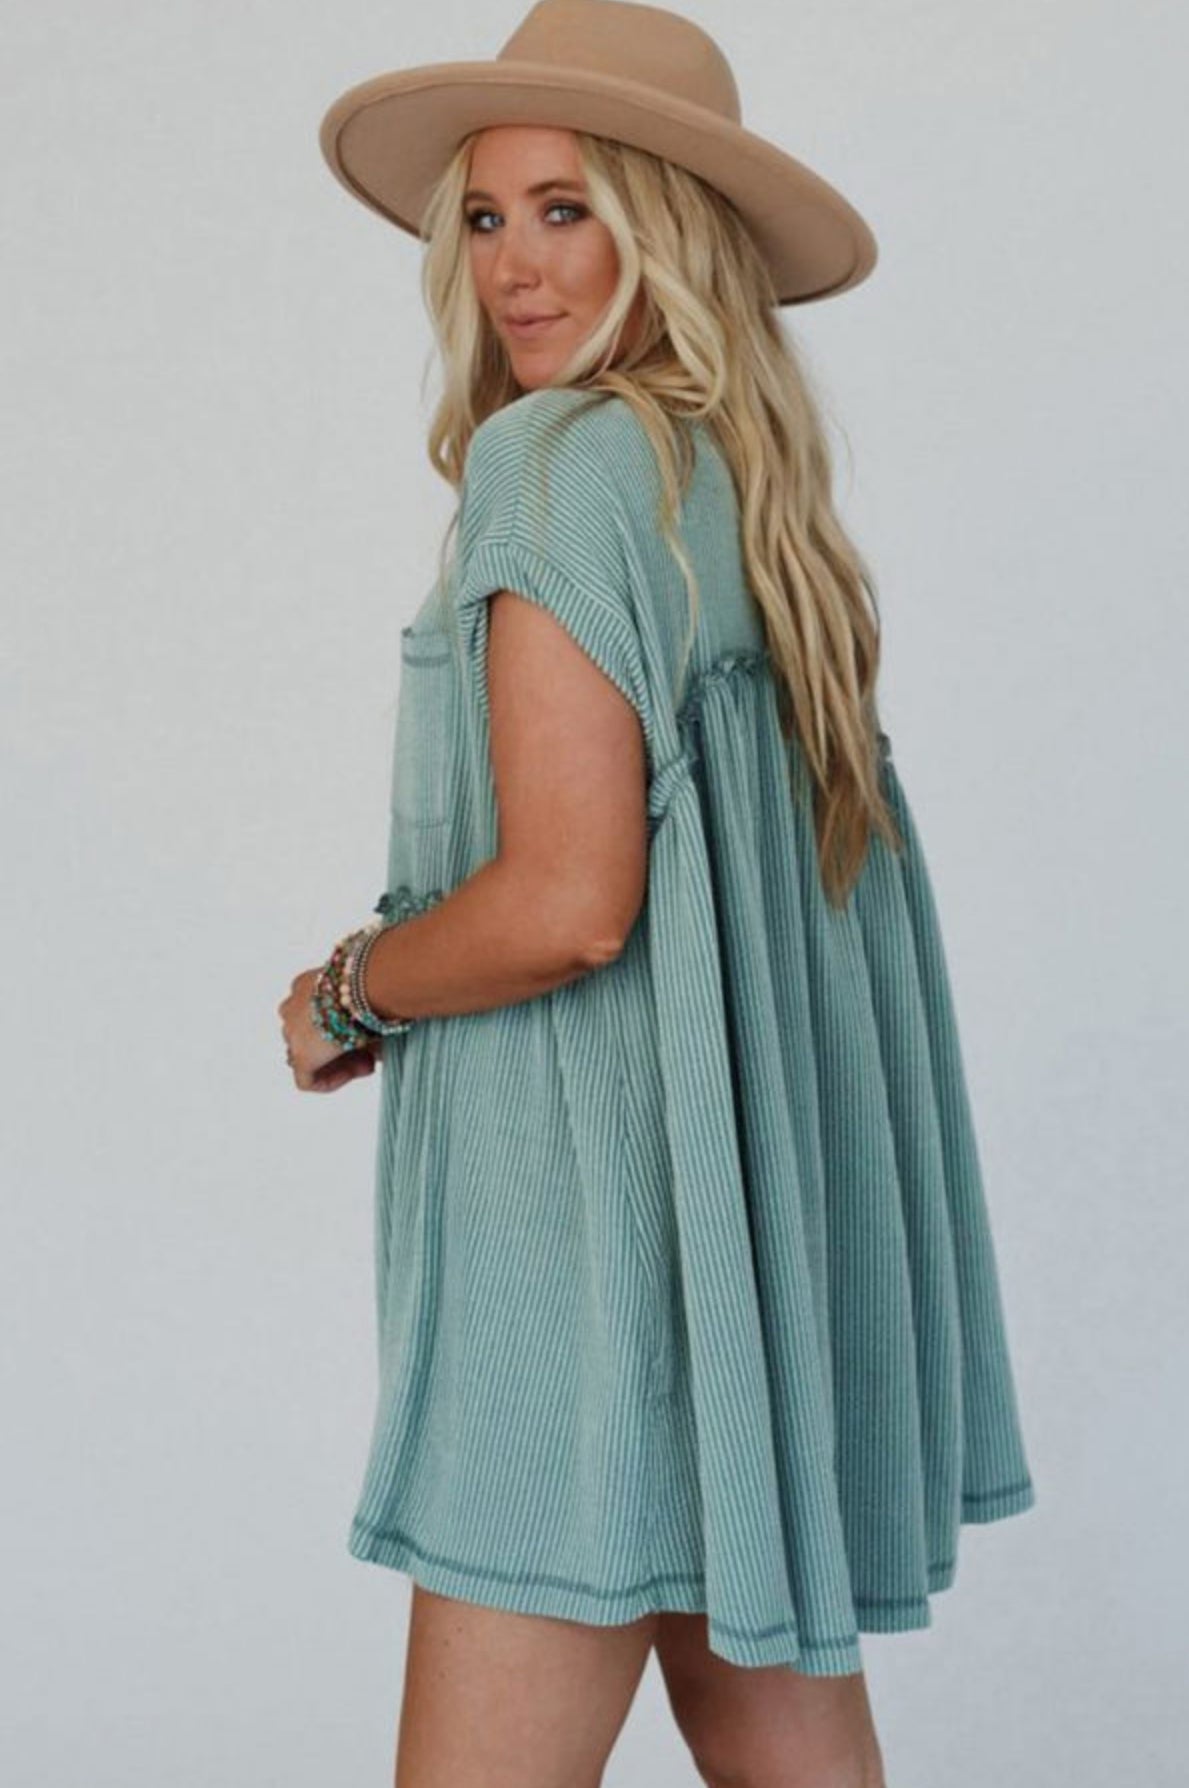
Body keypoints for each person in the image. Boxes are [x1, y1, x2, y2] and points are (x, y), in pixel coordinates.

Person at [277, 4, 1037, 1783]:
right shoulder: (750, 491)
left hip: (585, 1259)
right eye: (486, 217)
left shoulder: (556, 468)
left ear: (668, 226)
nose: (514, 266)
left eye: (569, 209)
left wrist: (348, 989)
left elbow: (568, 901)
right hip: (748, 1248)